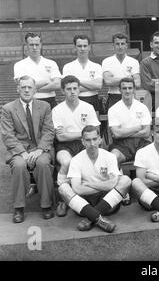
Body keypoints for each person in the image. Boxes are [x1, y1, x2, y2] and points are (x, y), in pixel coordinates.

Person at [1, 76, 55, 223]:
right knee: (19, 165)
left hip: (40, 148)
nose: (26, 90)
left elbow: (49, 131)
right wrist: (23, 153)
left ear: (35, 89)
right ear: (18, 89)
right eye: (23, 87)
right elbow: (8, 135)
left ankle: (46, 205)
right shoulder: (8, 109)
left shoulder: (44, 106)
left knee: (43, 164)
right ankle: (18, 207)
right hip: (19, 149)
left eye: (29, 87)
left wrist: (40, 150)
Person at [58, 125, 131, 233]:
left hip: (106, 201)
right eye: (88, 140)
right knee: (63, 188)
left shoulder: (109, 156)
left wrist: (89, 184)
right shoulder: (76, 160)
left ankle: (91, 218)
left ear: (100, 139)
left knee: (126, 180)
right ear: (82, 141)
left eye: (94, 139)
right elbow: (78, 189)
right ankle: (98, 218)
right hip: (85, 201)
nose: (92, 143)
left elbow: (112, 184)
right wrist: (104, 185)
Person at [52, 75, 101, 216]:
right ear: (63, 91)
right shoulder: (57, 110)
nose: (72, 92)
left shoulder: (88, 107)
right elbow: (60, 136)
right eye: (68, 89)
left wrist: (71, 133)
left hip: (85, 143)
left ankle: (89, 194)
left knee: (89, 162)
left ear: (79, 90)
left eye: (75, 88)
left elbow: (94, 132)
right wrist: (83, 132)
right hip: (64, 146)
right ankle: (64, 198)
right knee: (67, 162)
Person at [108, 77, 152, 204]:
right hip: (122, 145)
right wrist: (138, 127)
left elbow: (147, 132)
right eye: (124, 88)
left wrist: (125, 132)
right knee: (113, 157)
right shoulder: (114, 109)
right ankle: (122, 191)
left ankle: (145, 190)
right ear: (119, 90)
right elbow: (116, 133)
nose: (127, 91)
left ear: (134, 89)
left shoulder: (142, 107)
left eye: (130, 88)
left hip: (140, 143)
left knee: (150, 155)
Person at [13, 32, 62, 109]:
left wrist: (32, 88)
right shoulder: (19, 65)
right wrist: (46, 81)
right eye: (31, 45)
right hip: (29, 103)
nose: (34, 47)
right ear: (26, 46)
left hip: (50, 102)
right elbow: (22, 86)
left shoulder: (51, 63)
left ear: (41, 45)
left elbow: (57, 85)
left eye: (37, 44)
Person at [62, 34, 103, 112]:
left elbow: (98, 85)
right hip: (74, 100)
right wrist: (91, 84)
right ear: (75, 47)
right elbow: (68, 88)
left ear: (89, 47)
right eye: (79, 46)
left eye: (85, 46)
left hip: (93, 100)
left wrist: (77, 81)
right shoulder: (68, 67)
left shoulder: (96, 66)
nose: (82, 48)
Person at [102, 32, 140, 111]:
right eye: (117, 44)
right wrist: (128, 78)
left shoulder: (134, 62)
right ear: (113, 45)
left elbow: (137, 83)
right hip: (113, 97)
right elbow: (108, 81)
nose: (120, 46)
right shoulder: (107, 61)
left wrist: (114, 79)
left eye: (122, 44)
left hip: (130, 97)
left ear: (126, 45)